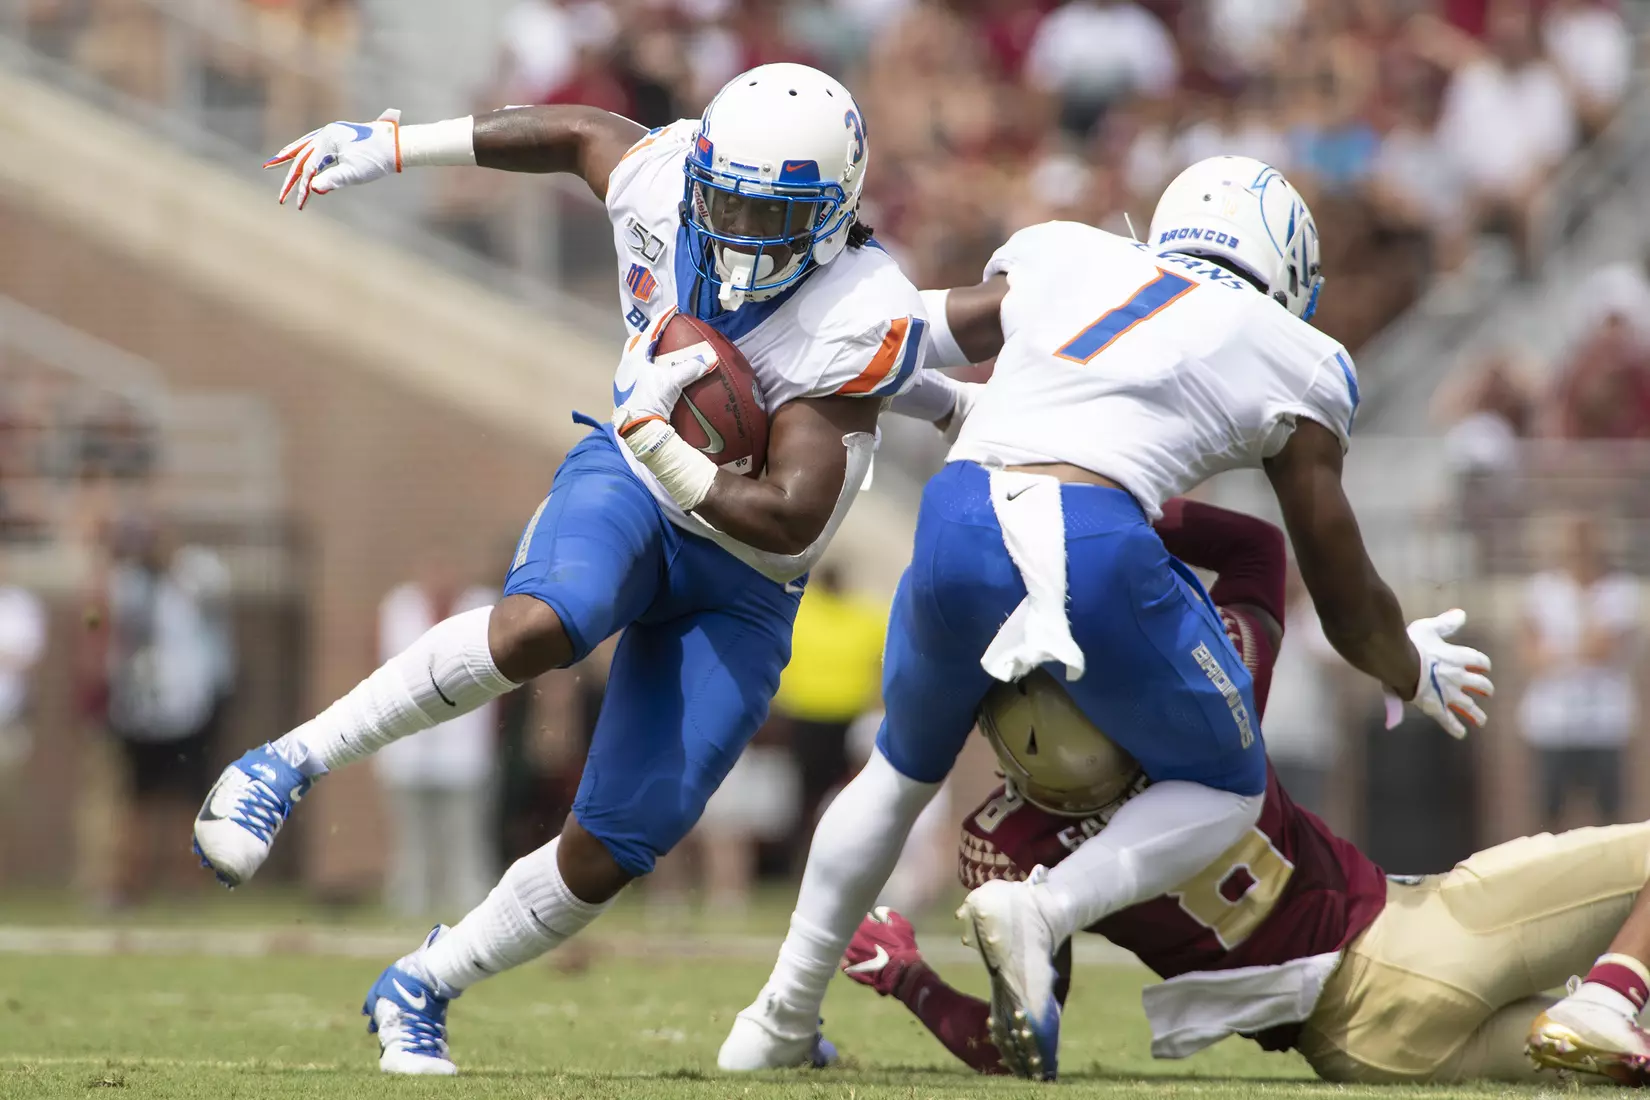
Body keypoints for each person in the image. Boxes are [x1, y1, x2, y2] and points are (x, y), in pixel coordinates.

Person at [190, 63, 975, 1075]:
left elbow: (789, 521)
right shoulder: (660, 178)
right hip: (630, 484)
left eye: (762, 210)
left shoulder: (862, 304)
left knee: (617, 842)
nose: (731, 223)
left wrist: (667, 445)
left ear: (830, 215)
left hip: (747, 572)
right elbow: (574, 133)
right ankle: (281, 765)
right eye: (721, 193)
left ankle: (421, 982)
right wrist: (398, 144)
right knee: (544, 622)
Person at [722, 156, 1493, 1079]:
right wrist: (1404, 662)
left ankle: (775, 1019)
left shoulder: (1069, 254)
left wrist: (912, 394)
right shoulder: (1298, 354)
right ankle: (1044, 908)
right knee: (1226, 787)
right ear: (1287, 270)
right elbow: (1339, 587)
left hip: (959, 510)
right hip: (1090, 538)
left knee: (895, 774)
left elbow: (916, 339)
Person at [843, 502, 1650, 1087]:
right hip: (1407, 944)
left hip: (1358, 1054)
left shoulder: (1008, 846)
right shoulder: (1198, 709)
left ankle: (1606, 1010)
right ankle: (1610, 994)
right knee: (1607, 1000)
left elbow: (1016, 1046)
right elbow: (1259, 545)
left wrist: (906, 975)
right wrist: (1093, 510)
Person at [373, 566, 500, 917]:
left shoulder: (480, 608)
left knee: (466, 835)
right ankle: (409, 904)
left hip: (463, 748)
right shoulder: (400, 609)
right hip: (408, 746)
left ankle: (469, 905)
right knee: (411, 839)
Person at [1519, 513, 1640, 830]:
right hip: (1553, 721)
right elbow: (1530, 654)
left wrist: (1558, 648)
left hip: (1605, 722)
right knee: (1548, 813)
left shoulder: (1619, 591)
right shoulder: (1541, 590)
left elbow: (1605, 648)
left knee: (1610, 816)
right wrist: (1576, 649)